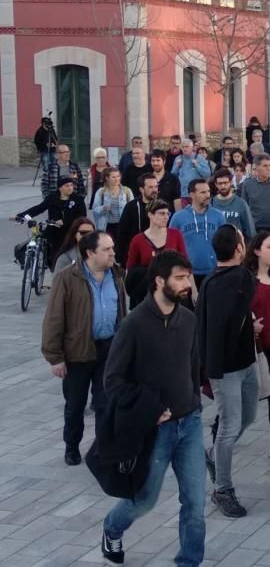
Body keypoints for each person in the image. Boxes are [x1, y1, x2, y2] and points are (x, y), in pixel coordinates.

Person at [99, 250, 204, 567]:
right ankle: (112, 528)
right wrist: (150, 409)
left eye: (188, 277)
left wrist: (195, 400)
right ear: (159, 281)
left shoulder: (188, 319)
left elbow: (193, 365)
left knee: (195, 503)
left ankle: (189, 561)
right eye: (180, 278)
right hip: (154, 429)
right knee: (144, 500)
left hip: (191, 423)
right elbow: (113, 381)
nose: (187, 284)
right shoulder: (134, 324)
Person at [41, 231, 126, 466]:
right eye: (107, 250)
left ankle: (102, 448)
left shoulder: (116, 274)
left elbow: (121, 312)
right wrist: (54, 356)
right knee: (75, 405)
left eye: (112, 248)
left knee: (105, 403)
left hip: (108, 349)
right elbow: (54, 318)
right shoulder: (68, 278)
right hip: (78, 351)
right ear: (90, 253)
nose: (112, 253)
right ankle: (72, 445)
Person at [198, 225, 257, 518]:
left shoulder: (213, 280)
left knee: (248, 417)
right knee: (229, 427)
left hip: (246, 362)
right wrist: (210, 369)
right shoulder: (239, 278)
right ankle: (223, 489)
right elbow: (217, 325)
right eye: (243, 241)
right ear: (238, 249)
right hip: (226, 369)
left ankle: (212, 456)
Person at [243, 232, 270, 459]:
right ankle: (219, 431)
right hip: (251, 346)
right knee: (244, 394)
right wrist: (250, 325)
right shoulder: (247, 279)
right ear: (257, 251)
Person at [125, 199, 188, 309]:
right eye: (161, 213)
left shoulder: (175, 235)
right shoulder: (138, 240)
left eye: (167, 213)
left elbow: (185, 263)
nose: (166, 217)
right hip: (146, 293)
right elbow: (130, 269)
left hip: (172, 290)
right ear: (150, 215)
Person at [14, 175, 86, 266]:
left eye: (71, 185)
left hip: (70, 231)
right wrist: (21, 215)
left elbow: (82, 216)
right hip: (54, 230)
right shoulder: (52, 198)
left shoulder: (78, 199)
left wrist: (66, 221)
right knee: (49, 250)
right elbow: (39, 208)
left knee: (70, 254)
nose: (70, 188)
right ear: (60, 188)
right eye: (67, 186)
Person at [169, 179, 225, 287]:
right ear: (192, 195)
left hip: (213, 272)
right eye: (203, 192)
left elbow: (224, 245)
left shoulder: (218, 216)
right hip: (186, 274)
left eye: (208, 191)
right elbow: (170, 245)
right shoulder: (178, 217)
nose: (207, 195)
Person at [239, 153, 270, 245]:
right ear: (257, 168)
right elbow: (243, 208)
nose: (269, 168)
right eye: (265, 166)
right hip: (255, 230)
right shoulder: (247, 185)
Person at [115, 173, 158, 266]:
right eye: (150, 187)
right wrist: (120, 256)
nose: (154, 190)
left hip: (156, 255)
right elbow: (122, 231)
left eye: (156, 187)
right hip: (135, 255)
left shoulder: (162, 206)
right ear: (141, 189)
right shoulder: (132, 207)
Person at [211, 167, 256, 239]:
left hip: (236, 246)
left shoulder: (241, 203)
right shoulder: (211, 204)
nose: (223, 186)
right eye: (220, 183)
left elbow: (250, 231)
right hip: (216, 246)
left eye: (225, 183)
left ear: (231, 182)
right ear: (216, 184)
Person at [90, 168, 132, 237]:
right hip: (106, 226)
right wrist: (103, 208)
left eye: (118, 176)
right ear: (107, 178)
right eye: (113, 177)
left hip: (123, 225)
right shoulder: (101, 192)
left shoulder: (127, 191)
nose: (117, 179)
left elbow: (132, 209)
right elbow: (95, 210)